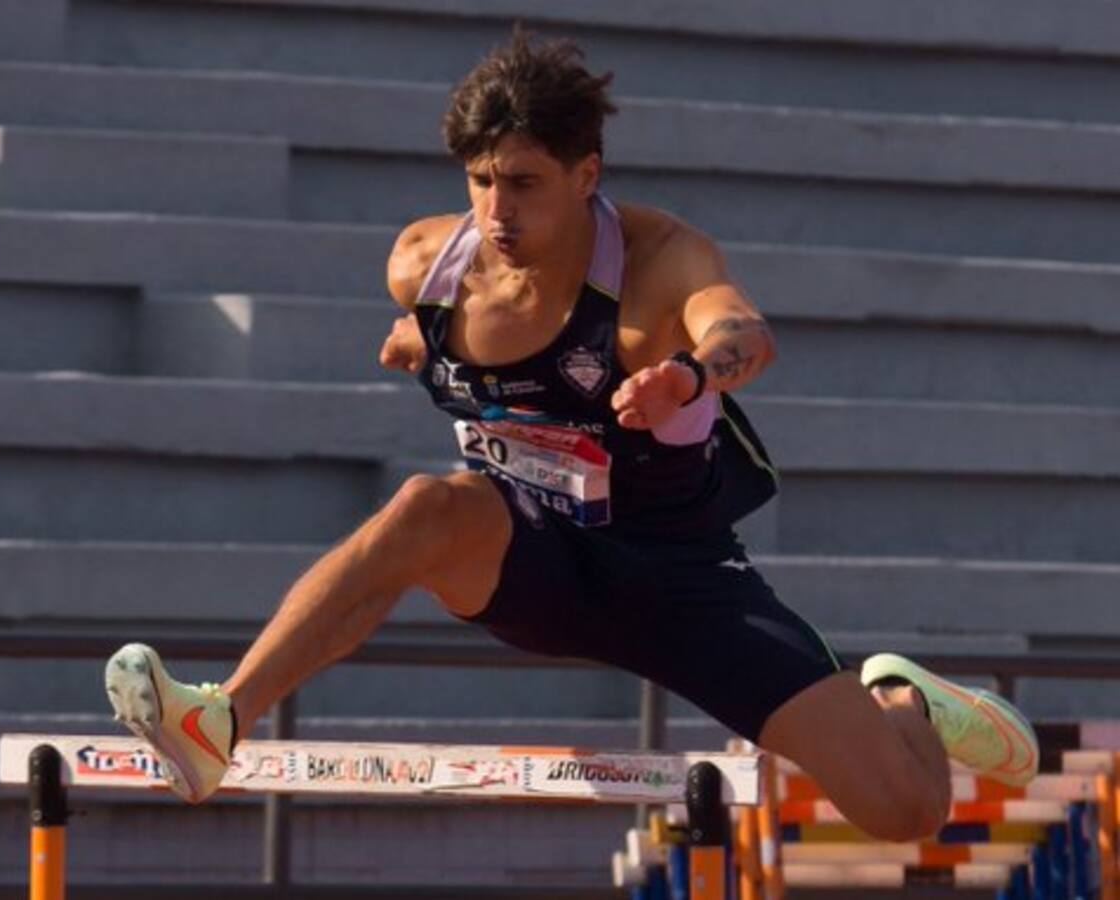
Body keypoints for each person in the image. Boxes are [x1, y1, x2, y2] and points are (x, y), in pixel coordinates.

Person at [105, 31, 1037, 839]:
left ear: (585, 175)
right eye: (479, 182)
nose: (497, 213)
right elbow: (456, 349)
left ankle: (903, 699)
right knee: (428, 507)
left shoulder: (659, 261)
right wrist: (417, 349)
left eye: (523, 184)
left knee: (905, 810)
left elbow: (744, 330)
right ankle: (219, 722)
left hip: (680, 580)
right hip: (536, 557)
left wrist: (690, 373)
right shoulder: (426, 267)